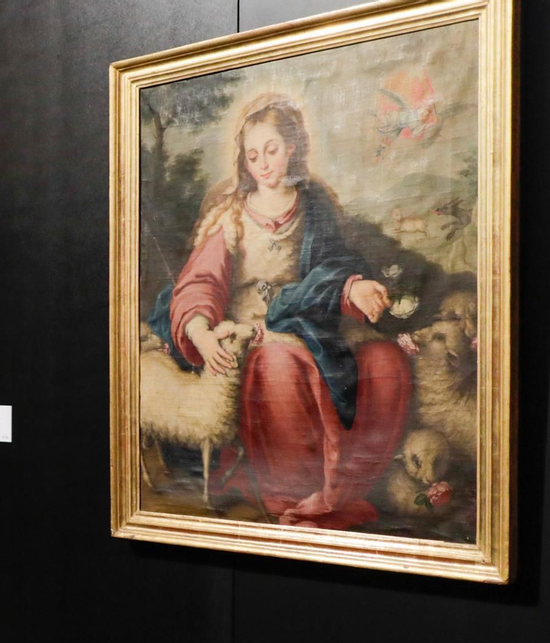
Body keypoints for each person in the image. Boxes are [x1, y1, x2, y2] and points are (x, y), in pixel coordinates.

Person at [149, 93, 411, 529]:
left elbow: (339, 265)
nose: (263, 163)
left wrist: (354, 286)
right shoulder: (230, 217)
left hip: (317, 324)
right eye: (253, 155)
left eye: (271, 149)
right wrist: (201, 333)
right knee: (278, 364)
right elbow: (199, 285)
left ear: (291, 147)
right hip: (256, 333)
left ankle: (344, 494)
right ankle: (292, 495)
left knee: (386, 362)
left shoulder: (316, 208)